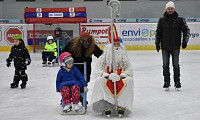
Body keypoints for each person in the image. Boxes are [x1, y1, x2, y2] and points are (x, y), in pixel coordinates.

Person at [91, 24, 134, 118]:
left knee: (129, 81)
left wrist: (122, 76)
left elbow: (130, 70)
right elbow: (97, 71)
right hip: (107, 79)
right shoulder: (103, 58)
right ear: (110, 46)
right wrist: (107, 76)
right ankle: (105, 106)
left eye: (118, 44)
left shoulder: (125, 58)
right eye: (114, 44)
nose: (116, 46)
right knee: (99, 81)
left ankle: (122, 105)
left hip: (120, 79)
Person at [155, 1, 190, 90]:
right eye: (168, 8)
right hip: (165, 47)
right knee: (165, 65)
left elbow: (186, 30)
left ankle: (177, 82)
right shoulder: (162, 20)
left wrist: (185, 41)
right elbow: (158, 33)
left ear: (174, 9)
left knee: (176, 65)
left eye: (171, 8)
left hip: (175, 47)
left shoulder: (179, 20)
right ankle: (166, 82)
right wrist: (157, 43)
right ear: (166, 9)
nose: (170, 10)